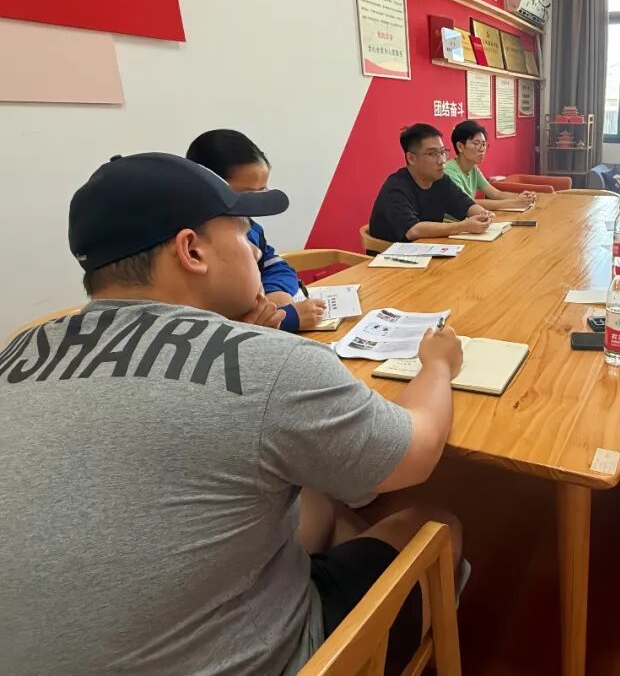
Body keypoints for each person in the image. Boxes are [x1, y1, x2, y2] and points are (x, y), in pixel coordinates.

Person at [0, 153, 465, 675]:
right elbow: (418, 451)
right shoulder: (269, 363)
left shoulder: (18, 349)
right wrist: (437, 364)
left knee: (311, 495)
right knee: (436, 522)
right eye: (245, 234)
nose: (256, 249)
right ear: (192, 250)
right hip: (263, 661)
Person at [186, 129, 327, 333]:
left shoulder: (250, 228)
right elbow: (212, 326)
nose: (256, 252)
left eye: (262, 192)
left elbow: (275, 266)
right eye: (245, 196)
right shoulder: (196, 248)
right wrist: (287, 319)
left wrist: (275, 292)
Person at [369, 123, 493, 243]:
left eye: (443, 152)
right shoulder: (395, 187)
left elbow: (465, 203)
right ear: (411, 158)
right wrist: (463, 226)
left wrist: (483, 214)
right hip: (392, 253)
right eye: (433, 154)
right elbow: (413, 230)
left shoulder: (440, 180)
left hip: (429, 247)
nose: (442, 160)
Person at [443, 120, 536, 215]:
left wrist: (521, 197)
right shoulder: (449, 172)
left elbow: (495, 194)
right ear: (460, 147)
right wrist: (513, 203)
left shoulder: (473, 168)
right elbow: (468, 203)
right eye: (476, 144)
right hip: (453, 222)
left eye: (484, 144)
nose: (482, 149)